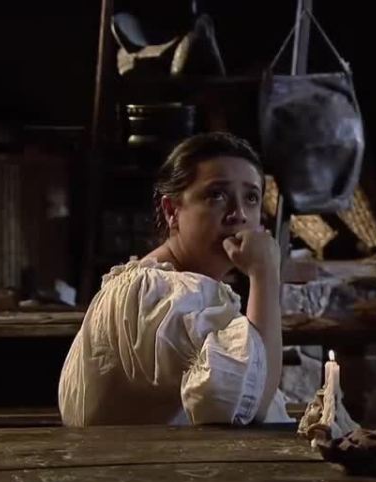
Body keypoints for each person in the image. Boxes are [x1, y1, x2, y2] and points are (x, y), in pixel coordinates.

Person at [58, 132, 291, 426]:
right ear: (171, 211)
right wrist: (265, 273)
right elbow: (248, 407)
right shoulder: (158, 293)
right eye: (217, 195)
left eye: (251, 197)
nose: (239, 214)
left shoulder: (184, 287)